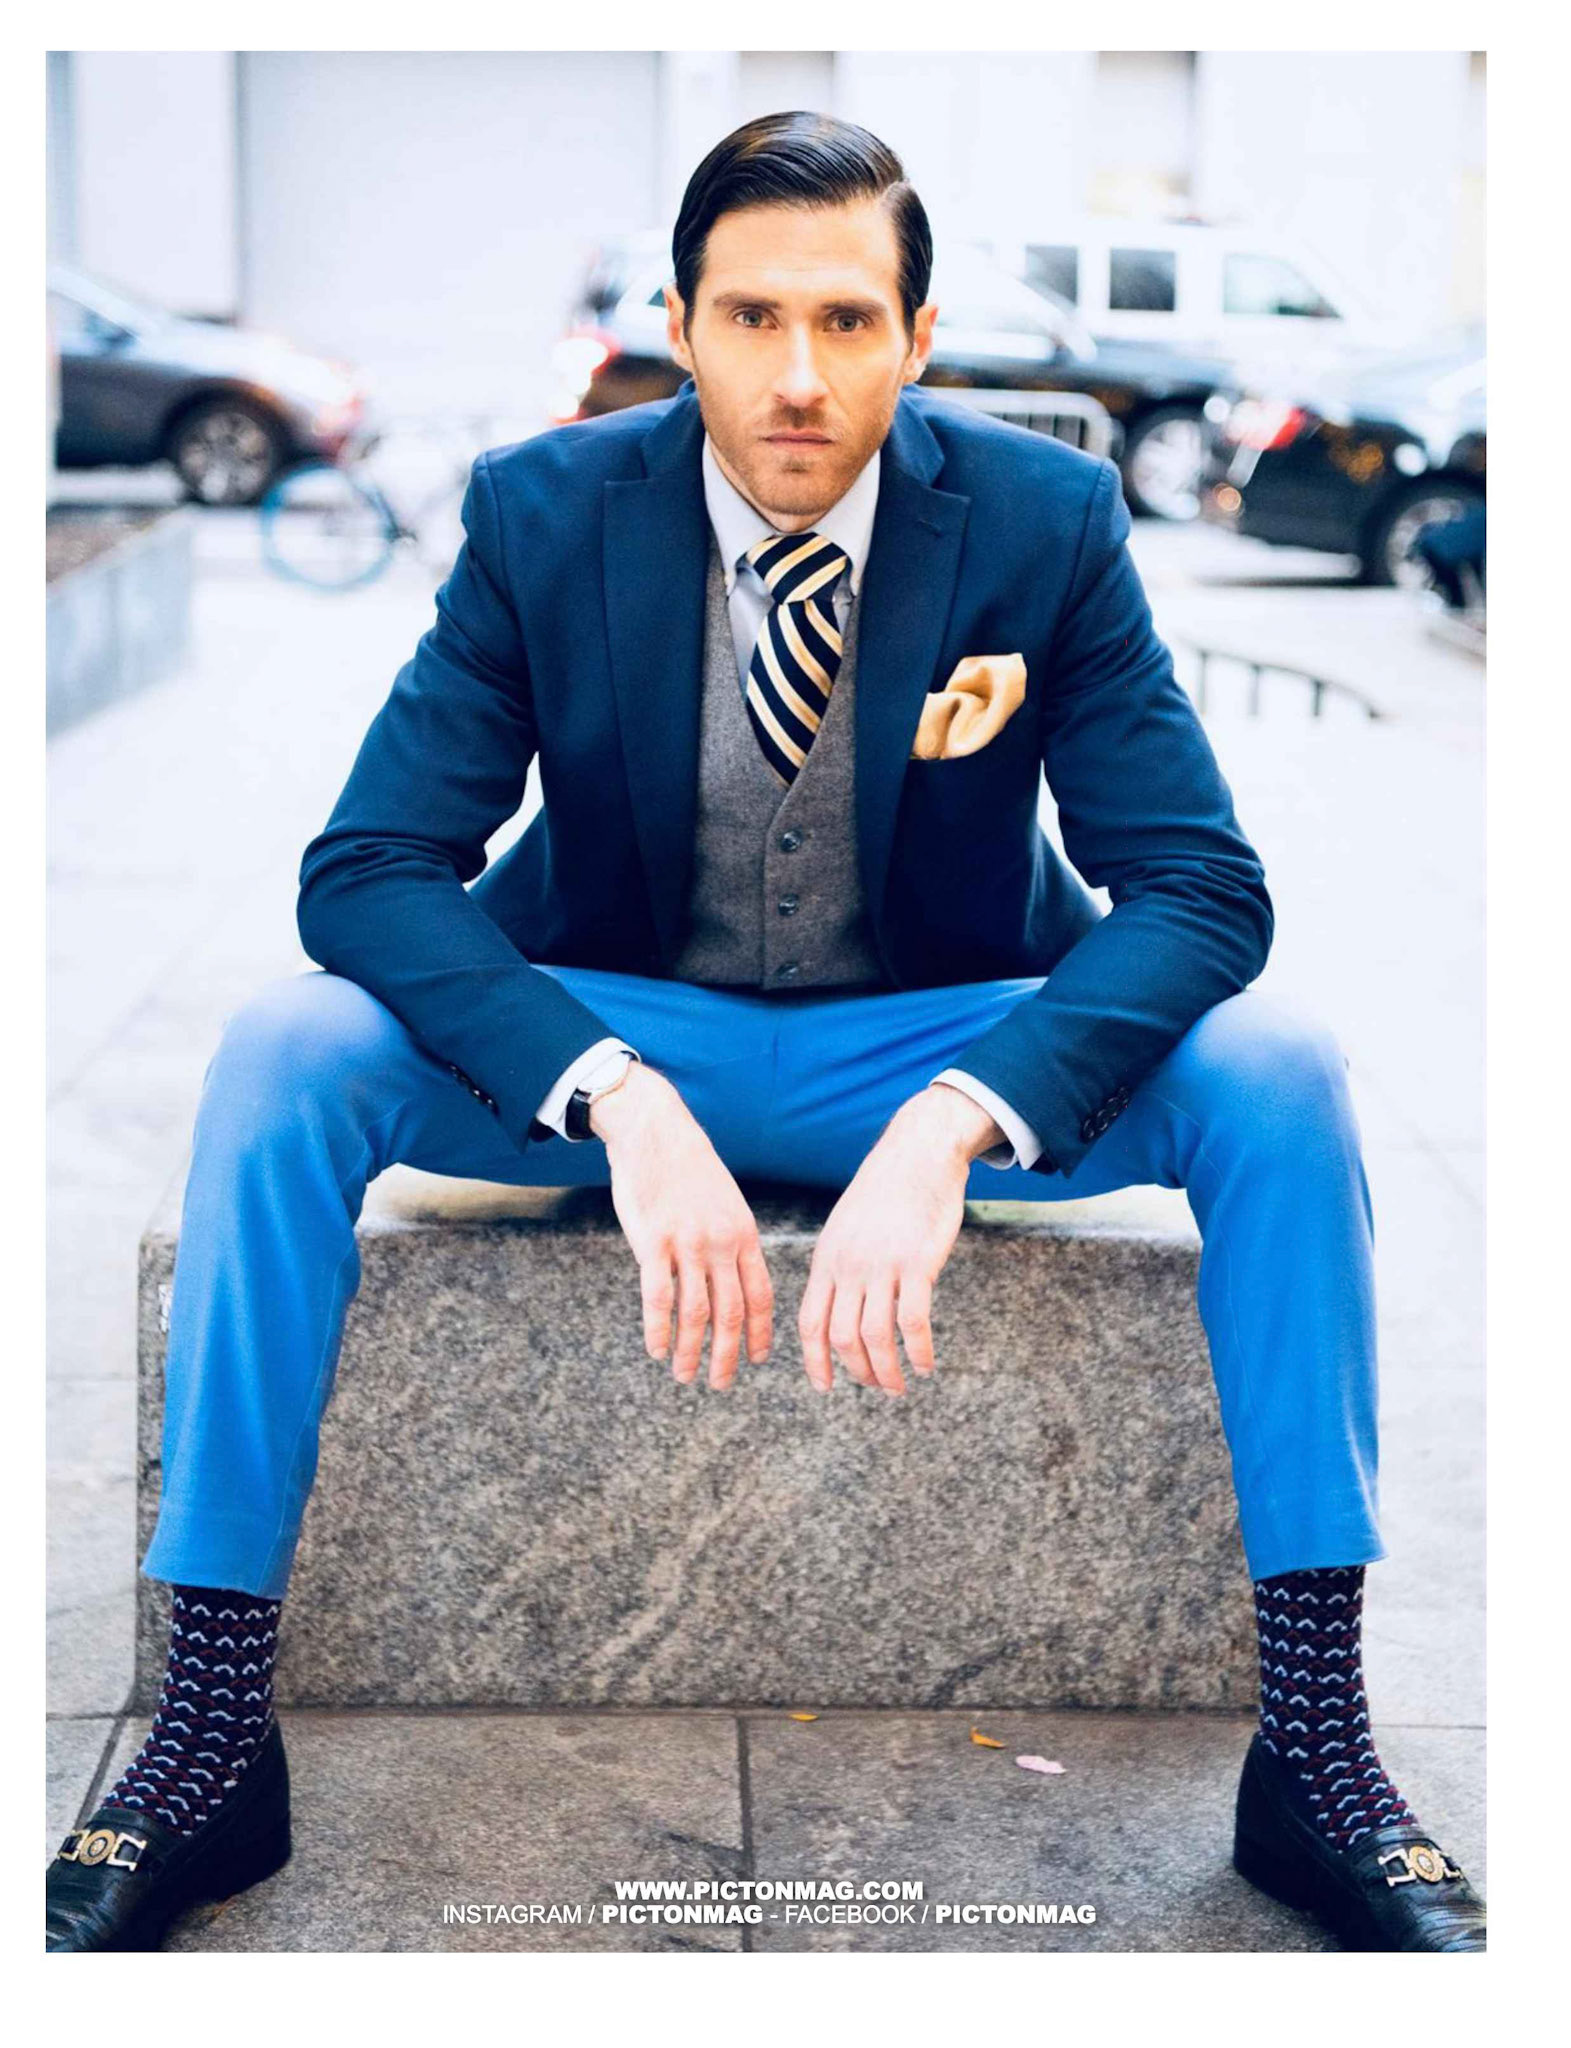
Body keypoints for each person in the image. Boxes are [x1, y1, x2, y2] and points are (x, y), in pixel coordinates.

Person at [46, 111, 1484, 1954]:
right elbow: (372, 867)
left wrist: (965, 1112)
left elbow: (1202, 886)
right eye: (750, 318)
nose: (797, 376)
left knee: (1281, 1074)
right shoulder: (543, 511)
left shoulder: (1044, 521)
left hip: (932, 1038)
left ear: (918, 335)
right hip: (624, 1028)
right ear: (681, 324)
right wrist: (611, 1093)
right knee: (280, 1052)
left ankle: (1320, 1751)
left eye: (845, 320)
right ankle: (208, 1735)